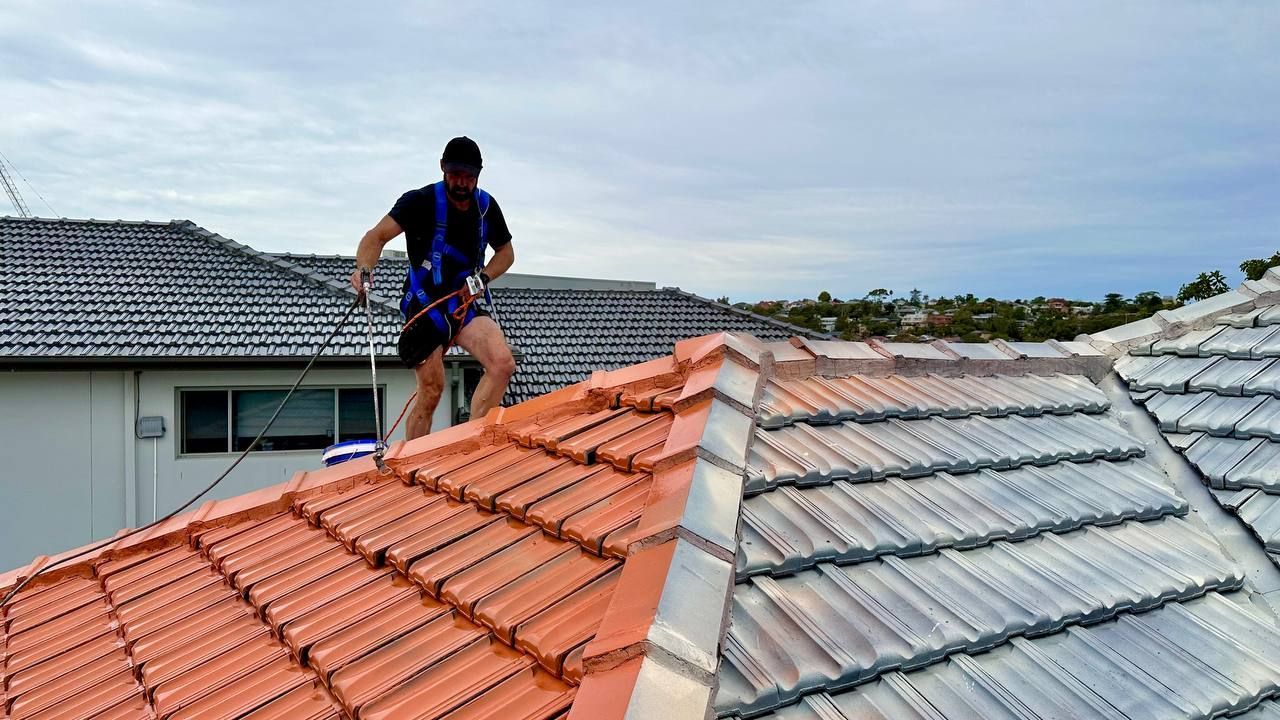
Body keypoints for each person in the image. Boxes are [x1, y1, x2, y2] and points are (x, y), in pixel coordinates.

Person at [350, 136, 516, 439]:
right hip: (424, 306)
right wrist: (364, 269)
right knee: (432, 388)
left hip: (462, 303)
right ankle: (414, 461)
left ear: (479, 174)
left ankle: (472, 440)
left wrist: (482, 279)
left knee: (503, 363)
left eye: (469, 176)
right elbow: (375, 237)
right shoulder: (419, 202)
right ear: (442, 168)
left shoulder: (486, 208)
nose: (462, 183)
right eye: (455, 175)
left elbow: (506, 254)